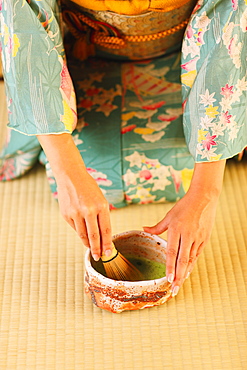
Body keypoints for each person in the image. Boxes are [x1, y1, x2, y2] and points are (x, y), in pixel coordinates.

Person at [0, 0, 246, 298]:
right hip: (81, 57)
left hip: (188, 63)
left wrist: (206, 190)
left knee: (174, 172)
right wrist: (69, 173)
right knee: (92, 178)